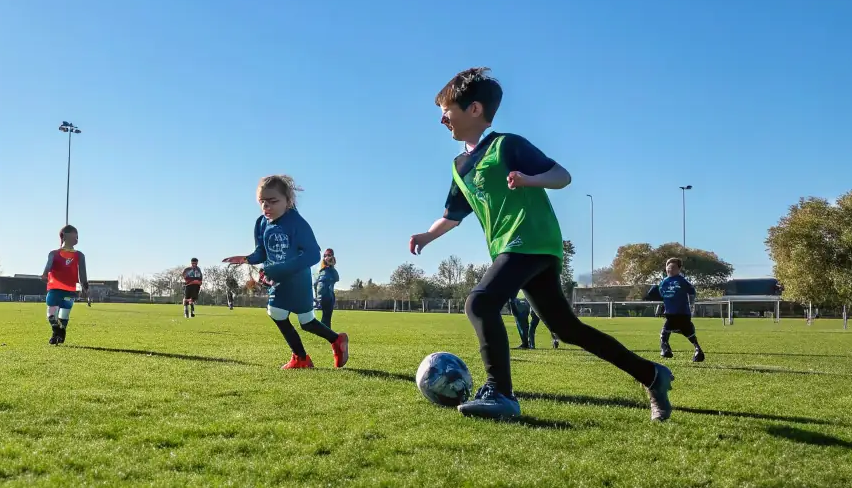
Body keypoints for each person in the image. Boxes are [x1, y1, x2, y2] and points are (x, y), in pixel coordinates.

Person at [409, 68, 672, 421]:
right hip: (512, 248)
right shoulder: (459, 165)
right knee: (566, 329)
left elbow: (562, 175)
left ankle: (500, 392)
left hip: (531, 239)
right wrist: (427, 235)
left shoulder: (507, 145)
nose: (442, 119)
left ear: (474, 110)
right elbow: (454, 214)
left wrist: (530, 179)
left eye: (447, 110)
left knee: (480, 303)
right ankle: (652, 375)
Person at [225, 175, 349, 370]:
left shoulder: (296, 223)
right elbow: (261, 252)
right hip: (277, 281)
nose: (266, 206)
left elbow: (313, 255)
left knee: (306, 321)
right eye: (262, 202)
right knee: (275, 312)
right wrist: (247, 258)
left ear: (288, 200)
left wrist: (279, 269)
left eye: (273, 201)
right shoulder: (261, 223)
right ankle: (301, 358)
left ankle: (336, 340)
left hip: (297, 280)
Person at [646, 258, 705, 362]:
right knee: (670, 332)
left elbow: (692, 291)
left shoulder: (681, 281)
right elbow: (661, 296)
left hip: (682, 313)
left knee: (682, 332)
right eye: (668, 268)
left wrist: (692, 305)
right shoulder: (663, 282)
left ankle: (695, 351)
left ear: (679, 269)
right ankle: (667, 350)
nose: (670, 270)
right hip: (670, 313)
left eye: (673, 268)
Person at [42, 225, 88, 344]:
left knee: (64, 313)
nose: (76, 238)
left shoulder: (80, 255)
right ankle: (57, 330)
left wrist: (84, 288)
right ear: (64, 236)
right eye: (74, 234)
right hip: (54, 288)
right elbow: (48, 267)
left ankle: (58, 335)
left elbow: (82, 273)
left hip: (70, 289)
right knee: (51, 314)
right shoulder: (53, 253)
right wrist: (44, 274)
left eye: (77, 235)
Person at [314, 248, 340, 327]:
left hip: (329, 297)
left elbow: (337, 278)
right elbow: (315, 284)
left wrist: (332, 266)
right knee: (324, 318)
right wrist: (317, 297)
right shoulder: (321, 270)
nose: (327, 257)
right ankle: (325, 332)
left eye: (329, 255)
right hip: (321, 298)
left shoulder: (332, 271)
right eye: (325, 255)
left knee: (326, 318)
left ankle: (326, 333)